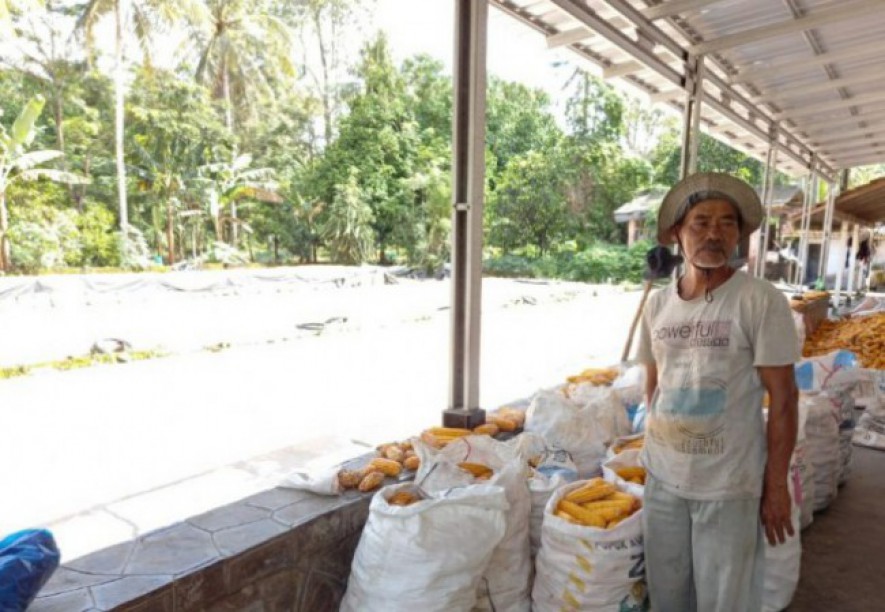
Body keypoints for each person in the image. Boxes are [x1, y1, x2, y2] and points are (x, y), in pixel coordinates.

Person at [636, 172, 800, 612]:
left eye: (727, 223)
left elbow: (783, 398)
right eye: (700, 222)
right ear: (676, 233)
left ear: (740, 235)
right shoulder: (657, 304)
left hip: (729, 484)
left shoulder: (760, 300)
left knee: (724, 601)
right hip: (664, 479)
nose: (714, 233)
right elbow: (654, 381)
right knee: (668, 596)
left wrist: (776, 486)